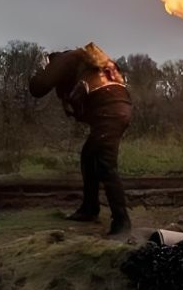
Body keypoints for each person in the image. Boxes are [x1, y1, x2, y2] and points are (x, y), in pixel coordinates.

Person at [29, 42, 133, 236]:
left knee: (106, 165)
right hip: (120, 106)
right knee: (88, 155)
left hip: (108, 109)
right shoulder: (90, 60)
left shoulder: (64, 59)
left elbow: (38, 87)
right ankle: (89, 209)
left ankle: (122, 222)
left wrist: (38, 69)